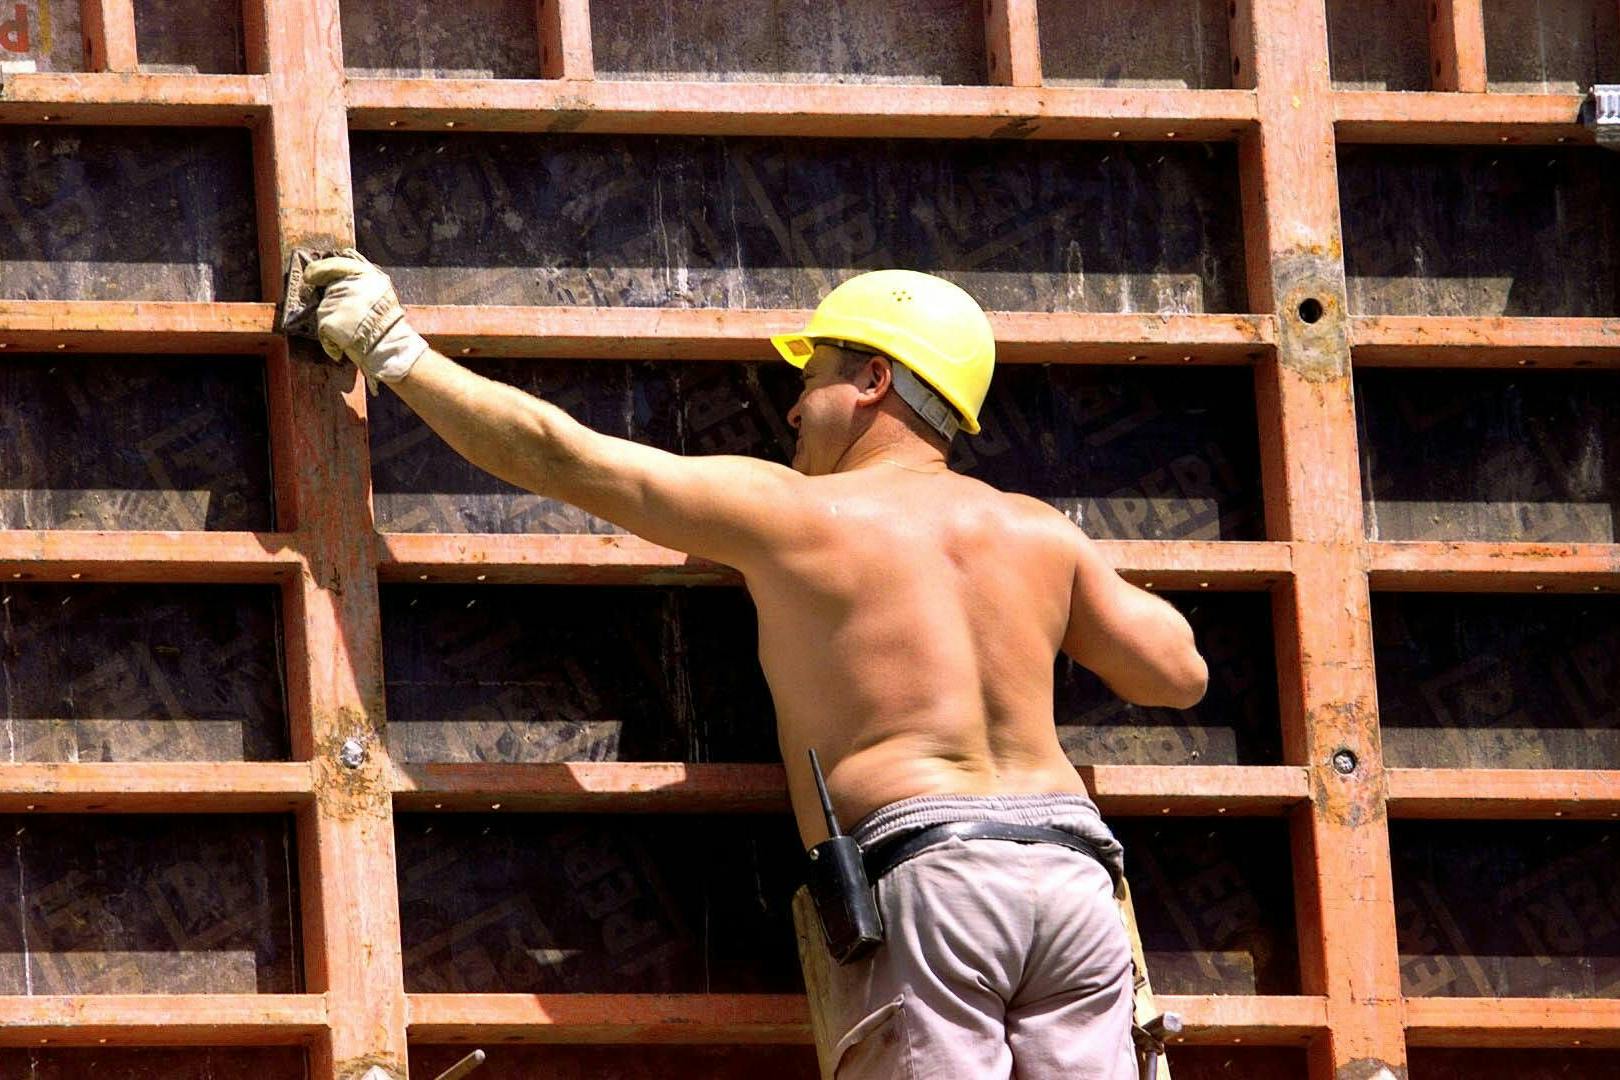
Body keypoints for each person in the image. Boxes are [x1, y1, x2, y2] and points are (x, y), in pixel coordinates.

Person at [307, 254, 1209, 1079]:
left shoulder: (797, 513)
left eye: (810, 380)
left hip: (934, 885)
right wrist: (1063, 584)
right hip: (1077, 881)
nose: (793, 410)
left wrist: (396, 351)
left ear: (875, 380)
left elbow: (563, 456)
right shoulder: (1037, 531)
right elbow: (1178, 675)